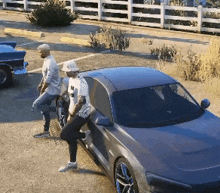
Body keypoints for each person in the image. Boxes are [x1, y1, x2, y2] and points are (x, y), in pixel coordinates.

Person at [59, 60, 91, 172]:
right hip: (73, 111)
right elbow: (71, 95)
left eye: (67, 71)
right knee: (71, 138)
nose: (65, 73)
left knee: (64, 134)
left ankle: (85, 135)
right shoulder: (72, 79)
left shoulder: (81, 83)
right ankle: (73, 163)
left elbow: (81, 102)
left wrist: (72, 114)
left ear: (73, 71)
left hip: (82, 113)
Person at [32, 44, 61, 138]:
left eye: (40, 52)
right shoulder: (47, 60)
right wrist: (41, 84)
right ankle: (46, 131)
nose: (39, 54)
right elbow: (45, 75)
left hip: (52, 90)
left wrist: (43, 90)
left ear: (45, 52)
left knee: (37, 104)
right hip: (49, 89)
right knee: (44, 109)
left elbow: (48, 81)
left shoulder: (51, 63)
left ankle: (57, 110)